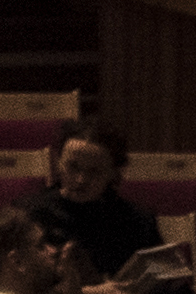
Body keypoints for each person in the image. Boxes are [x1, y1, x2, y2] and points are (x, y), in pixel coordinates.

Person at [23, 119, 163, 285]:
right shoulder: (30, 214)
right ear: (58, 161)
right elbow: (16, 288)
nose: (81, 180)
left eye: (94, 171)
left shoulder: (137, 221)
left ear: (113, 172)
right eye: (73, 167)